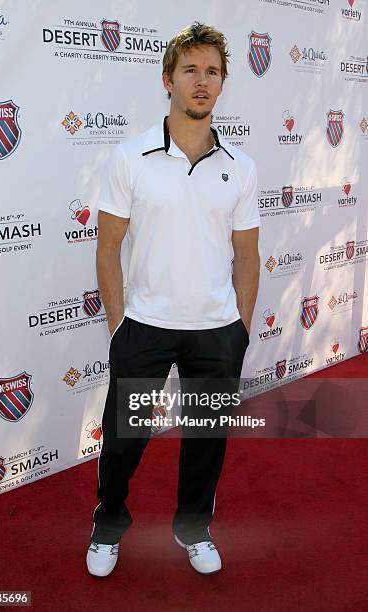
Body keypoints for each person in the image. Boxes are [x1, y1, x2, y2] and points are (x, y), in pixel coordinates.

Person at [87, 22, 260, 577]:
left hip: (216, 329)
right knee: (122, 443)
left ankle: (194, 528)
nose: (201, 81)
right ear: (168, 80)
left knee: (206, 442)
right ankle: (108, 525)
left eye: (212, 72)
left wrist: (241, 328)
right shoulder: (129, 157)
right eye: (191, 70)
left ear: (222, 83)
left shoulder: (243, 166)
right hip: (145, 325)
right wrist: (119, 328)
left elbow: (248, 256)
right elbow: (107, 246)